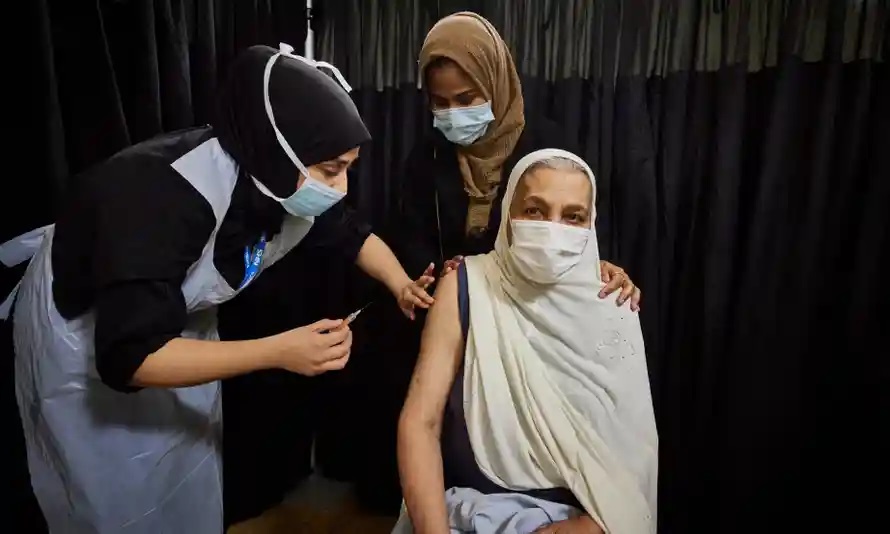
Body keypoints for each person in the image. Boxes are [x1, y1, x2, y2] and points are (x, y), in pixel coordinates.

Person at [0, 43, 435, 534]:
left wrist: (400, 285)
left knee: (182, 470)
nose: (340, 188)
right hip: (86, 335)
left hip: (174, 323)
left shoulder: (277, 177)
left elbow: (350, 232)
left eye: (348, 169)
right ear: (277, 149)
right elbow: (129, 358)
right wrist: (280, 351)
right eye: (332, 169)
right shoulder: (158, 196)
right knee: (107, 488)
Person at [395, 149, 658, 534]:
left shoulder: (613, 301)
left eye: (573, 217)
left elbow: (635, 451)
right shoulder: (468, 285)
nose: (553, 228)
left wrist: (595, 528)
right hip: (467, 508)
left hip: (583, 518)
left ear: (592, 224)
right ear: (507, 216)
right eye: (534, 211)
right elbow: (421, 421)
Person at [392, 12, 640, 305]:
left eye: (466, 99)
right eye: (440, 102)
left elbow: (579, 228)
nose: (453, 113)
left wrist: (600, 265)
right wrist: (437, 271)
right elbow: (410, 237)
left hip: (531, 306)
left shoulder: (547, 147)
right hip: (456, 303)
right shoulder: (428, 155)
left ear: (495, 83)